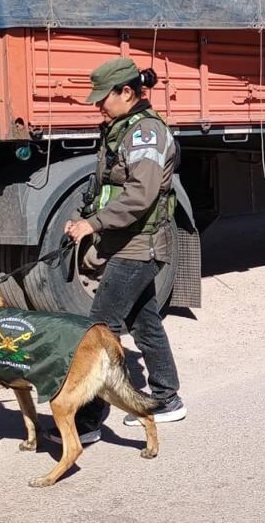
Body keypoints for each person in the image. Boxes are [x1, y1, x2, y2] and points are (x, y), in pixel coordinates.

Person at [61, 57, 185, 443]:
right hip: (129, 242)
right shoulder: (122, 128)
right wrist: (85, 218)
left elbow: (141, 194)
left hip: (140, 245)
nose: (99, 105)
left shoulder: (145, 132)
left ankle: (88, 421)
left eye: (104, 98)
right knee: (145, 320)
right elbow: (109, 188)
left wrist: (93, 224)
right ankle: (166, 398)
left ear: (127, 92)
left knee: (100, 329)